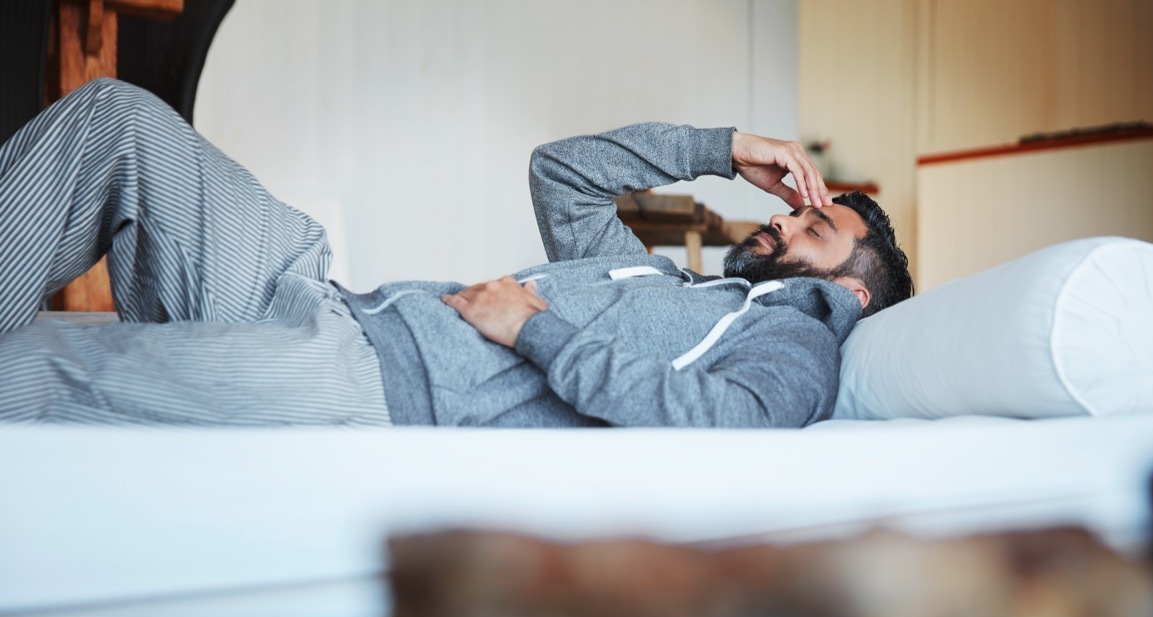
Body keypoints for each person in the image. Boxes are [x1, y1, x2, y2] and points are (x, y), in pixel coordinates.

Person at [0, 78, 910, 427]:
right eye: (797, 214)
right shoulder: (670, 282)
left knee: (39, 364)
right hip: (322, 297)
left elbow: (727, 421)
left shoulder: (798, 342)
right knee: (118, 122)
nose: (784, 224)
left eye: (815, 231)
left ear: (853, 293)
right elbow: (562, 173)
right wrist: (723, 149)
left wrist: (533, 329)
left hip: (364, 382)